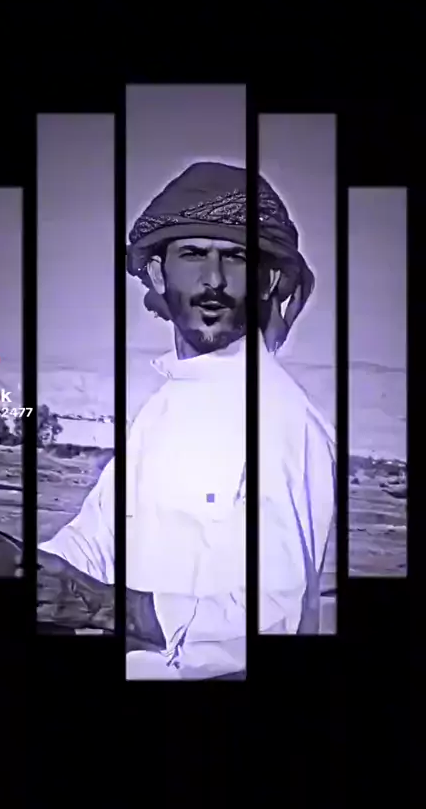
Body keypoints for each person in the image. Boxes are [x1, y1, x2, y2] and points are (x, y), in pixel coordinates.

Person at [36, 161, 336, 679]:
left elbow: (275, 616)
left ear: (267, 280)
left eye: (236, 257)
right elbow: (92, 544)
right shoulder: (161, 411)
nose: (213, 280)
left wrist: (106, 607)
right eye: (193, 254)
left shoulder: (284, 421)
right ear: (158, 274)